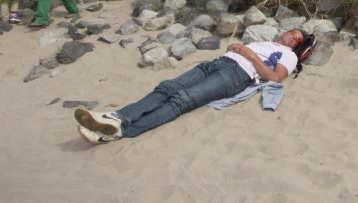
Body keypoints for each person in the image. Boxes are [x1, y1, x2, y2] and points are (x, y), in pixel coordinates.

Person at [74, 29, 305, 144]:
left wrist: (249, 54)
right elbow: (242, 53)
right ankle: (117, 117)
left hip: (237, 76)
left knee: (182, 99)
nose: (292, 37)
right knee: (166, 88)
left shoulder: (289, 55)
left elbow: (275, 78)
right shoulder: (264, 41)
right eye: (292, 32)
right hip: (219, 63)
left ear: (296, 46)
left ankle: (121, 131)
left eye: (297, 39)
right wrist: (235, 48)